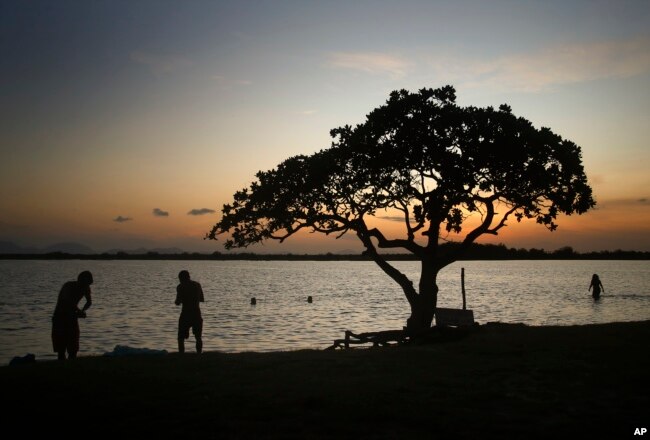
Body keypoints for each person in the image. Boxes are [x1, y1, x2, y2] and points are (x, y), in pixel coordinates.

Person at [51, 271, 93, 361]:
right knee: (61, 348)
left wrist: (83, 310)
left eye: (87, 284)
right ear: (80, 280)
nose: (86, 287)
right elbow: (67, 301)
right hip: (60, 317)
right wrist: (79, 311)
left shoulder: (86, 288)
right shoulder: (68, 286)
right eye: (84, 284)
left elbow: (89, 302)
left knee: (73, 346)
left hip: (72, 317)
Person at [175, 270, 204, 353]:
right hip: (196, 313)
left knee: (181, 337)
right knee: (198, 337)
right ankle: (199, 354)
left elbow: (178, 302)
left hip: (185, 314)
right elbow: (201, 299)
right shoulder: (197, 285)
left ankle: (181, 354)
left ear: (181, 278)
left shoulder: (180, 286)